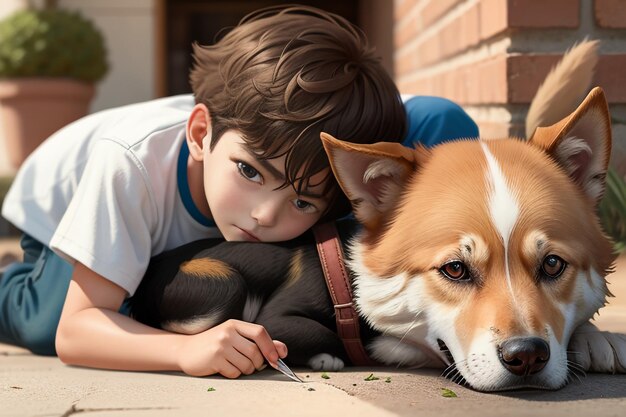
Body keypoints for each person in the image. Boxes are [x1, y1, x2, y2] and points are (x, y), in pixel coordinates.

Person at [0, 5, 477, 378]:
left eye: (303, 201)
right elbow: (77, 332)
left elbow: (436, 117)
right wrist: (183, 350)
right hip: (62, 199)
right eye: (250, 172)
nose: (265, 216)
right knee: (52, 324)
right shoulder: (130, 165)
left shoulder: (350, 131)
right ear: (201, 133)